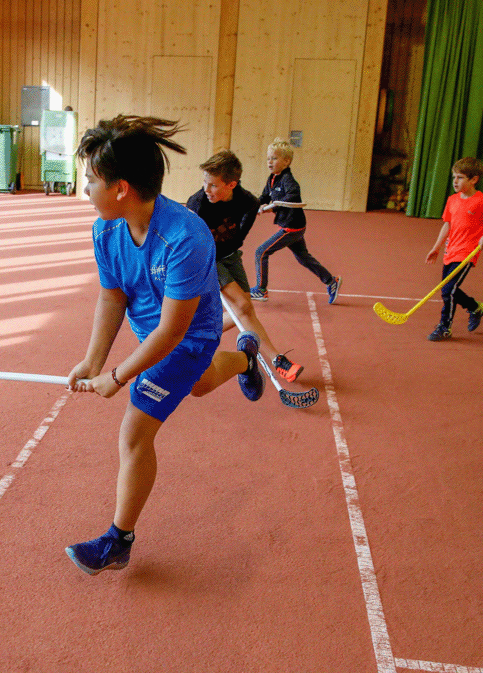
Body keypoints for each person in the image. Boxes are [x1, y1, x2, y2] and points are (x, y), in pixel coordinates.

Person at [64, 115, 265, 576]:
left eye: (92, 180)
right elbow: (113, 296)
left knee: (134, 431)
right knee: (195, 386)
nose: (86, 190)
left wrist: (118, 376)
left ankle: (119, 540)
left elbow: (173, 332)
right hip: (150, 333)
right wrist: (92, 360)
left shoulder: (186, 237)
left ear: (121, 188)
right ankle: (243, 358)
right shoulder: (106, 230)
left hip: (189, 336)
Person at [185, 150, 319, 402]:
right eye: (204, 182)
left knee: (242, 316)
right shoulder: (197, 204)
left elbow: (239, 236)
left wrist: (230, 248)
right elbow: (191, 242)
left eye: (213, 185)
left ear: (231, 184)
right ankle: (278, 359)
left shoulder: (248, 202)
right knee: (244, 305)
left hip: (231, 256)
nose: (206, 189)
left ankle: (190, 332)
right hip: (206, 259)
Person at [250, 138, 340, 304]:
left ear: (286, 161)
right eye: (268, 158)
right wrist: (254, 206)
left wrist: (272, 206)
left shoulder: (288, 180)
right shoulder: (272, 179)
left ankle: (261, 290)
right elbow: (263, 197)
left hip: (292, 227)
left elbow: (293, 196)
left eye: (274, 158)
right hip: (293, 226)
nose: (270, 161)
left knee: (261, 252)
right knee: (303, 257)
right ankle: (331, 281)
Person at [424, 157, 483, 342]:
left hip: (468, 252)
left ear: (473, 180)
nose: (455, 181)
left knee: (448, 290)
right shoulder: (452, 200)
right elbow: (447, 225)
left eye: (460, 177)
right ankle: (475, 307)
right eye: (454, 177)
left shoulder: (482, 201)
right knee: (448, 288)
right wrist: (436, 247)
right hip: (450, 250)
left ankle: (445, 327)